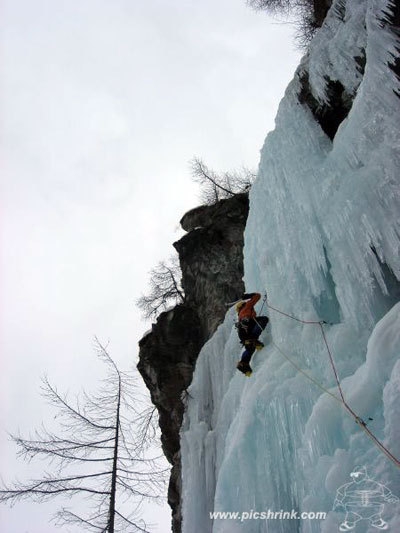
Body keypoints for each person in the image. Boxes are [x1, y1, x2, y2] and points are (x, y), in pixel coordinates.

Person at [235, 292, 269, 375]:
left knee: (250, 347)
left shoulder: (239, 316)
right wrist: (248, 296)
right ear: (242, 305)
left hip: (242, 333)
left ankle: (244, 363)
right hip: (248, 324)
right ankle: (253, 340)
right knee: (264, 319)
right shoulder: (247, 306)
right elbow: (257, 296)